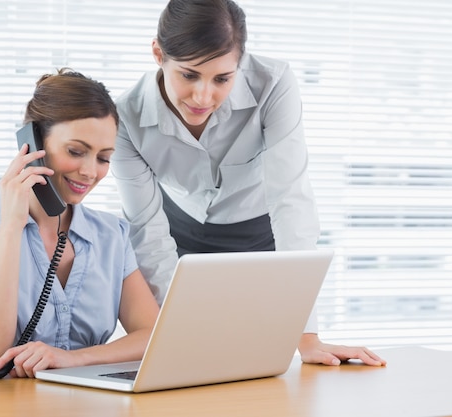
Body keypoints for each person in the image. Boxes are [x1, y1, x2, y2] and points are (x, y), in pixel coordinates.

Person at [110, 0, 385, 367]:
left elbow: (292, 201)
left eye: (222, 78)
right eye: (189, 75)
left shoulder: (273, 83)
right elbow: (146, 227)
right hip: (179, 235)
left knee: (256, 359)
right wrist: (166, 331)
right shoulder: (125, 116)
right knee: (187, 354)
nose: (203, 97)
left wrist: (307, 337)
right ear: (159, 54)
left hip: (259, 232)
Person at [0, 68, 159, 378]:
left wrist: (71, 359)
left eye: (104, 158)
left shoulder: (111, 235)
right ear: (32, 144)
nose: (91, 172)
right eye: (76, 151)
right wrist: (12, 226)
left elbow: (152, 337)